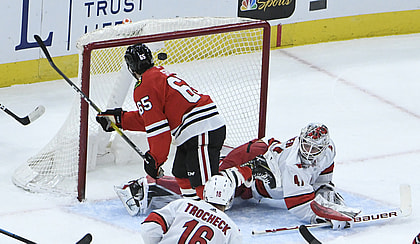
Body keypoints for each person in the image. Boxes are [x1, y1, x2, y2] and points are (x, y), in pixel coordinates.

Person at [130, 122, 361, 229]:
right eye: (306, 146)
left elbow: (323, 178)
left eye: (314, 148)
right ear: (301, 139)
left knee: (227, 194)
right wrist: (322, 216)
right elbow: (299, 207)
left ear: (324, 146)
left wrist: (325, 191)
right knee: (212, 191)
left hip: (260, 179)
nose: (309, 152)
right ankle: (149, 186)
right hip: (254, 159)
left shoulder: (329, 149)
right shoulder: (293, 165)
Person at [96, 43, 226, 202]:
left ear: (131, 68)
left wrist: (155, 159)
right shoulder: (159, 73)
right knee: (181, 172)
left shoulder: (143, 86)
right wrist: (120, 120)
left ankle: (213, 215)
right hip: (195, 130)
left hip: (201, 130)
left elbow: (158, 129)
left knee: (205, 186)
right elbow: (153, 118)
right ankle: (193, 210)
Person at [140, 175, 243, 244]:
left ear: (205, 192)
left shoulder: (182, 204)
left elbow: (150, 228)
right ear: (230, 199)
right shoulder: (232, 229)